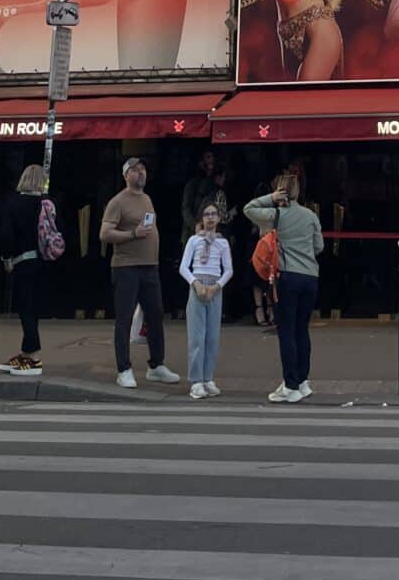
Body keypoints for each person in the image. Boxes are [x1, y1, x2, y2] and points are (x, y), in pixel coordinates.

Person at [100, 156, 180, 389]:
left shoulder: (146, 199)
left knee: (155, 315)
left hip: (150, 266)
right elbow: (105, 234)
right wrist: (132, 234)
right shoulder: (118, 201)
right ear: (126, 175)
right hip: (126, 266)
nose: (141, 173)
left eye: (143, 169)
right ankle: (123, 369)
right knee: (124, 319)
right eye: (135, 170)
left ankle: (156, 365)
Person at [245, 172, 324, 403]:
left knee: (286, 331)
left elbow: (248, 209)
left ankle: (290, 384)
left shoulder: (275, 214)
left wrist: (270, 197)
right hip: (310, 277)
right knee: (302, 330)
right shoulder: (311, 215)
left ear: (280, 191)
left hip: (287, 277)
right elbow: (319, 246)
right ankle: (302, 380)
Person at [0, 162, 52, 375]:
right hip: (44, 260)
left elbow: (6, 235)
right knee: (34, 309)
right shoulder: (46, 203)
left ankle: (33, 357)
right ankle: (26, 352)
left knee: (25, 309)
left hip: (23, 260)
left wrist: (6, 258)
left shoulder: (14, 204)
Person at [179, 201, 233, 398]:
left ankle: (208, 377)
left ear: (219, 219)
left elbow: (228, 270)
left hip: (214, 287)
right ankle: (196, 380)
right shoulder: (194, 241)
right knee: (196, 336)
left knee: (212, 336)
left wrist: (216, 286)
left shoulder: (222, 243)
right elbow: (183, 267)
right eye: (207, 214)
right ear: (202, 219)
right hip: (198, 285)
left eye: (213, 214)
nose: (210, 218)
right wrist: (196, 283)